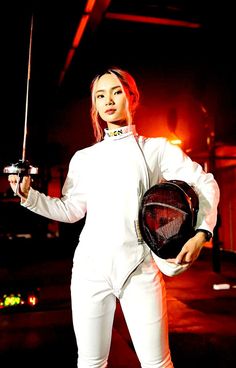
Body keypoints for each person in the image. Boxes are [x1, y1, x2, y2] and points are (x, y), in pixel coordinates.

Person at [8, 67, 220, 368]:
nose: (108, 100)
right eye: (100, 95)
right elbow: (70, 210)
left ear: (132, 98)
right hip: (89, 270)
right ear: (94, 105)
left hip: (139, 269)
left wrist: (202, 232)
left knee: (157, 363)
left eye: (116, 91)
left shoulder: (155, 149)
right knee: (91, 363)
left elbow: (205, 182)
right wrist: (29, 196)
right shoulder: (84, 158)